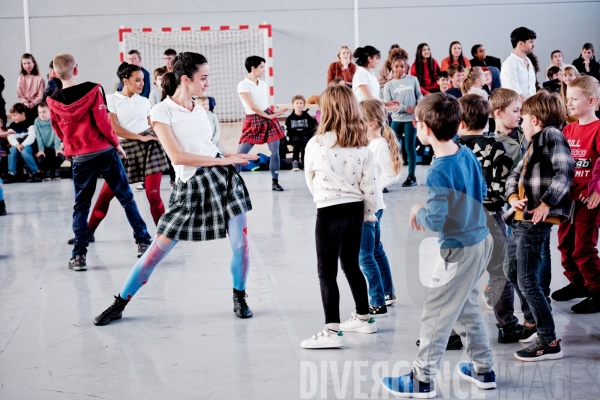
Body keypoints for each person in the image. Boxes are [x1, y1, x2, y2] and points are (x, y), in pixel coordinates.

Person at [92, 52, 258, 326]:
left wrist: (231, 157)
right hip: (190, 186)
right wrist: (225, 158)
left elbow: (208, 149)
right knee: (156, 250)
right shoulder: (160, 111)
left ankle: (239, 296)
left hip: (223, 179)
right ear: (185, 79)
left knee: (241, 245)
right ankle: (120, 302)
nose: (207, 83)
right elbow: (178, 157)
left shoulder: (202, 111)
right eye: (203, 78)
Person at [382, 93, 496, 397]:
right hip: (482, 240)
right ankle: (483, 369)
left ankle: (422, 378)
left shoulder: (438, 171)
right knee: (467, 306)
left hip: (458, 249)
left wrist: (418, 210)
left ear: (426, 130)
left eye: (418, 122)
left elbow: (436, 221)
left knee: (436, 312)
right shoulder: (465, 152)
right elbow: (482, 189)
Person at [47, 53, 153, 271]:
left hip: (80, 157)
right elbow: (103, 122)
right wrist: (116, 144)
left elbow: (58, 128)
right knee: (126, 197)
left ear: (55, 74)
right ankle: (143, 241)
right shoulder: (94, 89)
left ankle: (78, 256)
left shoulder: (52, 100)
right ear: (76, 70)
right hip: (104, 151)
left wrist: (69, 148)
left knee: (81, 206)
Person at [301, 84, 379, 349]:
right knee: (351, 265)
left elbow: (309, 178)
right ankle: (364, 317)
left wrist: (323, 196)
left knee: (327, 270)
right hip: (355, 210)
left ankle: (332, 330)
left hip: (329, 210)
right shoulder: (362, 145)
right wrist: (369, 212)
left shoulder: (316, 144)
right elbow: (371, 184)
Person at [66, 61, 171, 248]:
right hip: (123, 149)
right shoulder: (111, 99)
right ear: (125, 80)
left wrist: (156, 136)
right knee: (105, 196)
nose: (142, 84)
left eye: (143, 80)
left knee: (153, 195)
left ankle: (163, 237)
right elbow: (113, 128)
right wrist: (139, 137)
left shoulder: (145, 101)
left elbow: (151, 124)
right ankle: (88, 232)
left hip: (150, 148)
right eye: (137, 80)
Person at [504, 91, 574, 361]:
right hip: (521, 219)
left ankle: (549, 340)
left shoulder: (552, 135)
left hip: (536, 220)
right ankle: (532, 321)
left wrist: (546, 202)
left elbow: (565, 171)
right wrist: (512, 197)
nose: (520, 122)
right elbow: (514, 174)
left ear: (536, 119)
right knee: (512, 271)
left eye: (523, 118)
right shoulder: (533, 143)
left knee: (528, 279)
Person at [455, 94, 523, 343]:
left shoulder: (451, 147)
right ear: (487, 119)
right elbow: (503, 186)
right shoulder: (496, 148)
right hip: (490, 216)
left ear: (459, 121)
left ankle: (451, 331)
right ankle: (507, 325)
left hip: (459, 219)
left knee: (457, 275)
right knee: (499, 272)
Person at [555, 76, 600, 313]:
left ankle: (597, 289)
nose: (568, 102)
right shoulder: (569, 129)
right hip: (567, 201)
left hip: (587, 202)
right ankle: (578, 283)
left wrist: (597, 190)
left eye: (574, 98)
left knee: (583, 247)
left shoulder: (598, 129)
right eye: (567, 98)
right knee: (564, 244)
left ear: (591, 100)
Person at [359, 99, 401, 317]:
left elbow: (393, 174)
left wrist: (372, 188)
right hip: (373, 204)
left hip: (371, 207)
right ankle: (387, 293)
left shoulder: (378, 146)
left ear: (372, 124)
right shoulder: (371, 144)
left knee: (364, 255)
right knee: (375, 250)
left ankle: (377, 301)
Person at [235, 55, 287, 191]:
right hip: (254, 120)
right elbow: (252, 106)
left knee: (275, 152)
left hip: (268, 117)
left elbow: (263, 104)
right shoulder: (243, 85)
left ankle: (275, 181)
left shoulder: (263, 84)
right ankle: (234, 184)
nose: (264, 70)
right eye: (261, 67)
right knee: (240, 155)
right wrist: (269, 117)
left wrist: (275, 113)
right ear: (253, 68)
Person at [383, 54, 423, 187]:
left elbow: (419, 95)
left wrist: (418, 107)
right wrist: (407, 108)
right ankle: (387, 177)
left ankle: (412, 176)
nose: (399, 69)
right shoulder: (389, 85)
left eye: (402, 66)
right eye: (396, 66)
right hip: (397, 119)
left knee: (409, 147)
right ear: (392, 68)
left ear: (406, 67)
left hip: (411, 120)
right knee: (390, 147)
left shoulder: (413, 80)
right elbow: (389, 104)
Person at [352, 45, 399, 111]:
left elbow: (375, 98)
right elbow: (369, 98)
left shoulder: (370, 74)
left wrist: (387, 103)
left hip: (372, 112)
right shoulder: (361, 73)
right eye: (377, 58)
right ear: (369, 59)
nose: (378, 61)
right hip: (365, 113)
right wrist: (386, 108)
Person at [5, 103, 42, 183]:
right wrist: (17, 144)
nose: (13, 117)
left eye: (15, 115)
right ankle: (11, 173)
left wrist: (23, 144)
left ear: (22, 114)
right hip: (16, 145)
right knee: (11, 151)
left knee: (25, 152)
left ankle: (35, 172)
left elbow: (31, 137)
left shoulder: (30, 123)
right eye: (12, 115)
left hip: (28, 145)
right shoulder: (12, 125)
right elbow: (10, 137)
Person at [500, 27, 537, 102]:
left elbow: (532, 90)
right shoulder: (509, 64)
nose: (534, 45)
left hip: (532, 108)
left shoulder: (528, 61)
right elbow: (515, 93)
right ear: (520, 44)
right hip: (519, 109)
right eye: (531, 42)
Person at [284, 94, 316, 171]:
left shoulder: (306, 116)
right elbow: (288, 130)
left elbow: (312, 125)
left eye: (301, 103)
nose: (299, 105)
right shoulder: (290, 118)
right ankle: (295, 162)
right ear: (293, 105)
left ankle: (305, 162)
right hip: (294, 137)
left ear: (304, 105)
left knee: (306, 142)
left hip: (304, 136)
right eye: (297, 103)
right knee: (297, 142)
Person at [34, 102, 65, 181]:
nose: (42, 114)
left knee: (61, 156)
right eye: (39, 112)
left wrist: (57, 148)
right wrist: (41, 150)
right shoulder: (37, 121)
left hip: (54, 146)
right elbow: (39, 136)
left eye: (44, 112)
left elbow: (57, 135)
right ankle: (47, 170)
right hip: (45, 148)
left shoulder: (54, 119)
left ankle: (56, 170)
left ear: (50, 111)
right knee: (40, 159)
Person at [17, 53, 45, 123]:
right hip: (25, 103)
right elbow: (20, 95)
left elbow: (40, 97)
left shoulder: (40, 78)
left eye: (29, 63)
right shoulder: (21, 78)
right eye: (24, 63)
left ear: (34, 63)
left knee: (32, 117)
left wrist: (33, 103)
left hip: (36, 104)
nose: (27, 66)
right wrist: (25, 102)